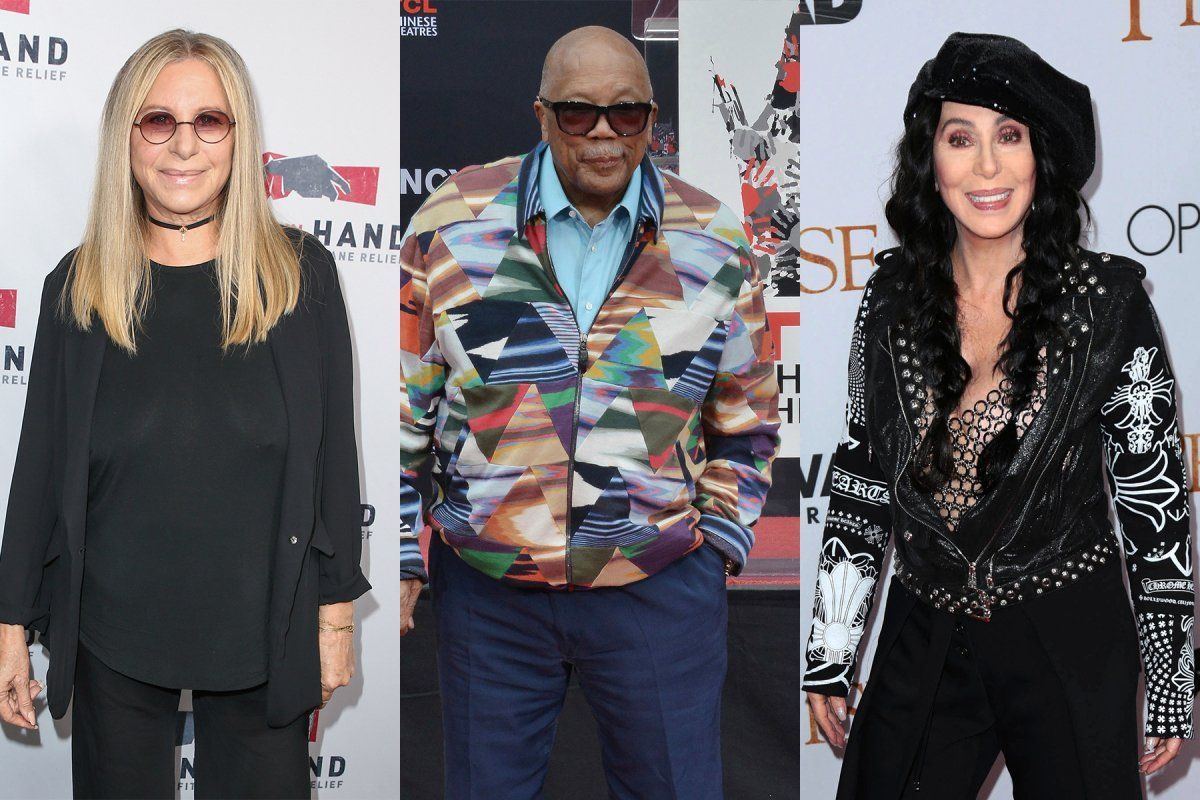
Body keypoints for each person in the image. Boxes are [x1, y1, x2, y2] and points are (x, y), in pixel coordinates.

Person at [803, 32, 1193, 798]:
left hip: (1069, 636)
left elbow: (1156, 505)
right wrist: (830, 651)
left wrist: (1171, 679)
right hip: (925, 628)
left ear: (1039, 154)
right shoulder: (890, 301)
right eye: (961, 138)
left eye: (1008, 136)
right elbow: (863, 476)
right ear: (931, 161)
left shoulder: (1106, 306)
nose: (986, 166)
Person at [398, 25, 780, 799]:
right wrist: (404, 546)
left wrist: (715, 547)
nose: (604, 133)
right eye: (578, 113)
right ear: (541, 115)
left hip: (660, 591)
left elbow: (748, 416)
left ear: (652, 117)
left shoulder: (711, 236)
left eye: (626, 112)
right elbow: (402, 406)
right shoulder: (453, 220)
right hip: (491, 595)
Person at [0, 29, 370, 798]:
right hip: (111, 639)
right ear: (126, 136)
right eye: (158, 120)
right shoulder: (77, 287)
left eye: (209, 121)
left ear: (239, 136)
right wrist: (11, 621)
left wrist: (336, 617)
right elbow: (39, 468)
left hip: (264, 633)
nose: (184, 145)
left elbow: (334, 461)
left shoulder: (301, 278)